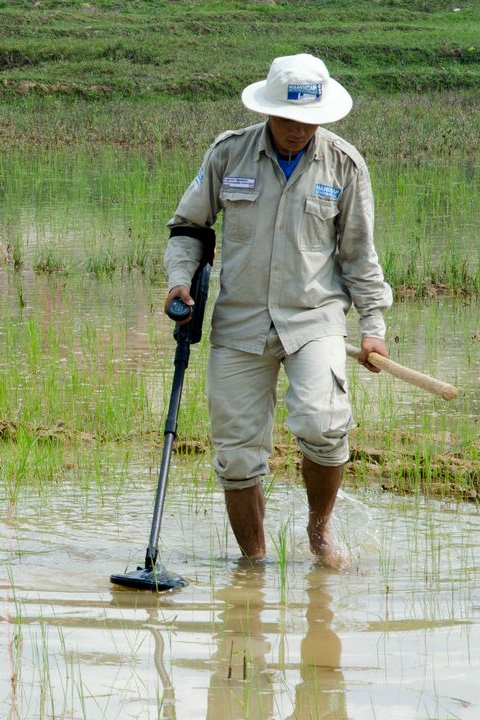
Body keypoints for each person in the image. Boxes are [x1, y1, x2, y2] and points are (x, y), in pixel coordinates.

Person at [163, 53, 392, 569]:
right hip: (239, 324)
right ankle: (254, 564)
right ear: (267, 110)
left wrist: (374, 326)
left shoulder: (344, 165)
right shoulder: (228, 155)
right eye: (288, 119)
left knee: (322, 423)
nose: (297, 131)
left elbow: (359, 256)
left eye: (309, 121)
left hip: (315, 319)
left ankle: (319, 530)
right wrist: (180, 282)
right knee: (238, 456)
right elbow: (189, 228)